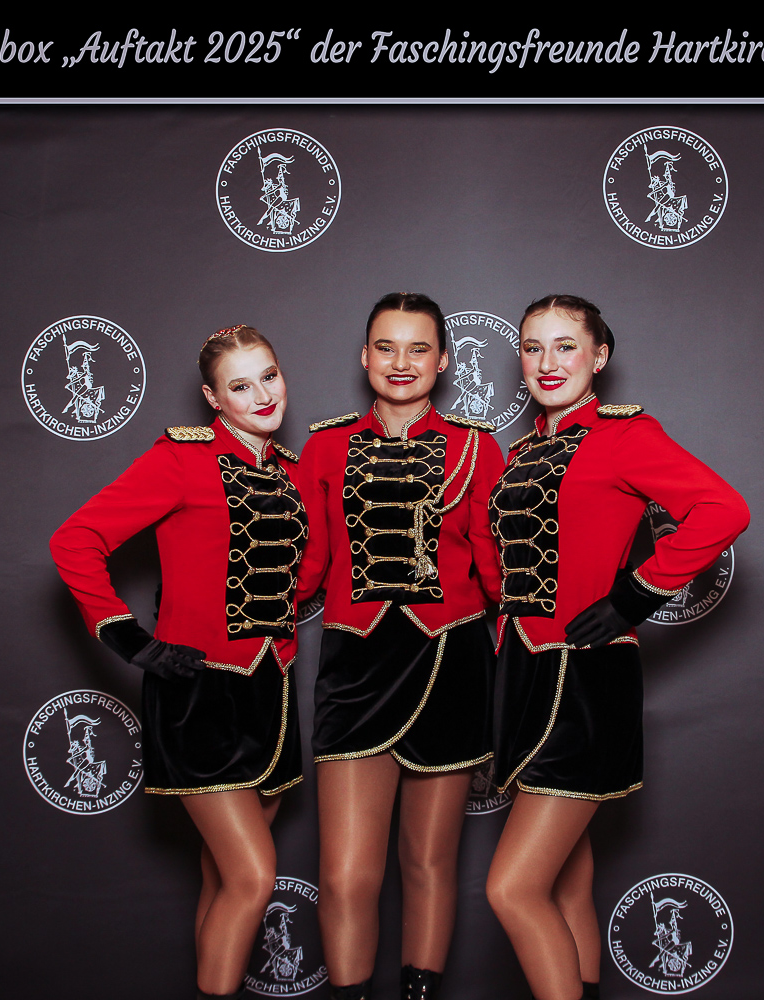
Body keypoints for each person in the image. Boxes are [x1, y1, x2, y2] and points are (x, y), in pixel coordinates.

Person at [484, 295, 750, 1000]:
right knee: (567, 884)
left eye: (566, 346)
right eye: (533, 347)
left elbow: (724, 510)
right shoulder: (523, 451)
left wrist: (634, 596)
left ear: (599, 357)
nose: (547, 362)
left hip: (585, 682)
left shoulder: (624, 436)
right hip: (523, 678)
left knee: (513, 889)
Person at [49, 326, 307, 999]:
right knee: (253, 877)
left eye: (269, 376)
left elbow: (301, 577)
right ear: (213, 399)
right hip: (197, 697)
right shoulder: (181, 459)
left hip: (270, 696)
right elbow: (75, 540)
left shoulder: (292, 471)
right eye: (240, 386)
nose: (262, 396)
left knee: (222, 878)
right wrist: (132, 640)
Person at [294, 292, 506, 1000]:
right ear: (364, 356)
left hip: (450, 662)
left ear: (443, 361)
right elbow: (305, 570)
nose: (401, 362)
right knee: (345, 875)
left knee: (427, 862)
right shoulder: (325, 447)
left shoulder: (477, 447)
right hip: (355, 668)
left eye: (419, 348)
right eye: (386, 347)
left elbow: (499, 574)